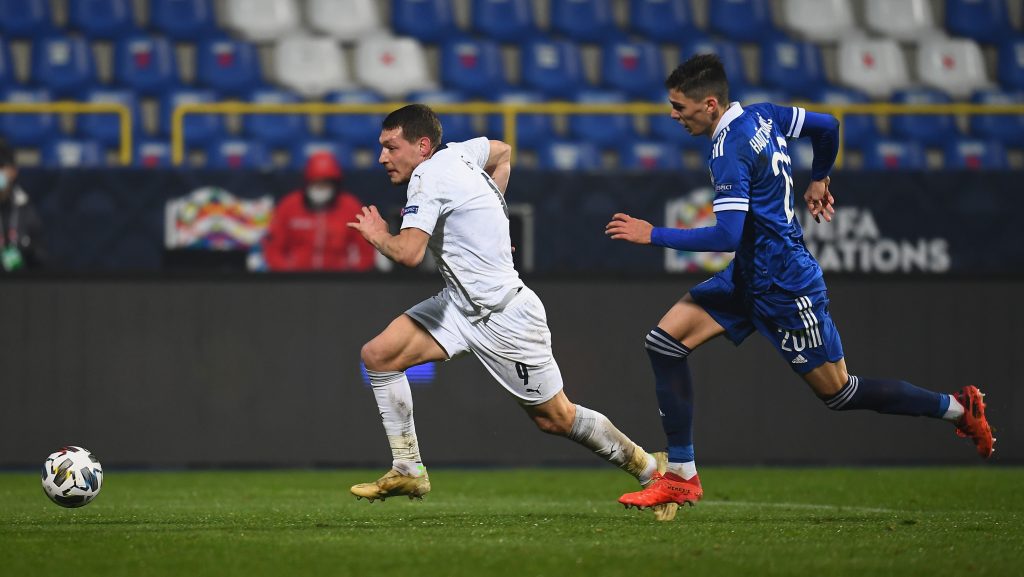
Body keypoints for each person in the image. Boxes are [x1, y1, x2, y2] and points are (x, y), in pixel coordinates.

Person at [606, 55, 995, 516]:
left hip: (784, 285)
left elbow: (727, 235)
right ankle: (682, 477)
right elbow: (827, 126)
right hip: (751, 275)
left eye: (679, 107)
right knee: (664, 343)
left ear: (709, 105)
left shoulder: (728, 149)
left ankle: (957, 408)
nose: (673, 115)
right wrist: (821, 176)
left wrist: (655, 235)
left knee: (841, 392)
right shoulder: (764, 114)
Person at [346, 104, 665, 507]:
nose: (382, 158)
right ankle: (408, 469)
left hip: (503, 315)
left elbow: (409, 253)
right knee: (379, 356)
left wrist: (377, 235)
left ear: (422, 146)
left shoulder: (427, 178)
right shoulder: (461, 152)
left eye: (391, 147)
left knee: (556, 418)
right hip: (459, 307)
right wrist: (490, 220)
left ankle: (653, 471)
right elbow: (504, 151)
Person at [262, 151, 375, 272]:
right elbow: (273, 249)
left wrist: (352, 275)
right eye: (316, 183)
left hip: (339, 281)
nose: (321, 188)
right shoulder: (289, 206)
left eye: (326, 184)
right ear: (307, 183)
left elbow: (366, 251)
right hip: (296, 279)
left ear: (335, 185)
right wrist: (287, 272)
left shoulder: (351, 207)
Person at [0, 141, 47, 273]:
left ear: (14, 171)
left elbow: (41, 257)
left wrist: (26, 249)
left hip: (19, 282)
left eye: (2, 166)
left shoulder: (25, 208)